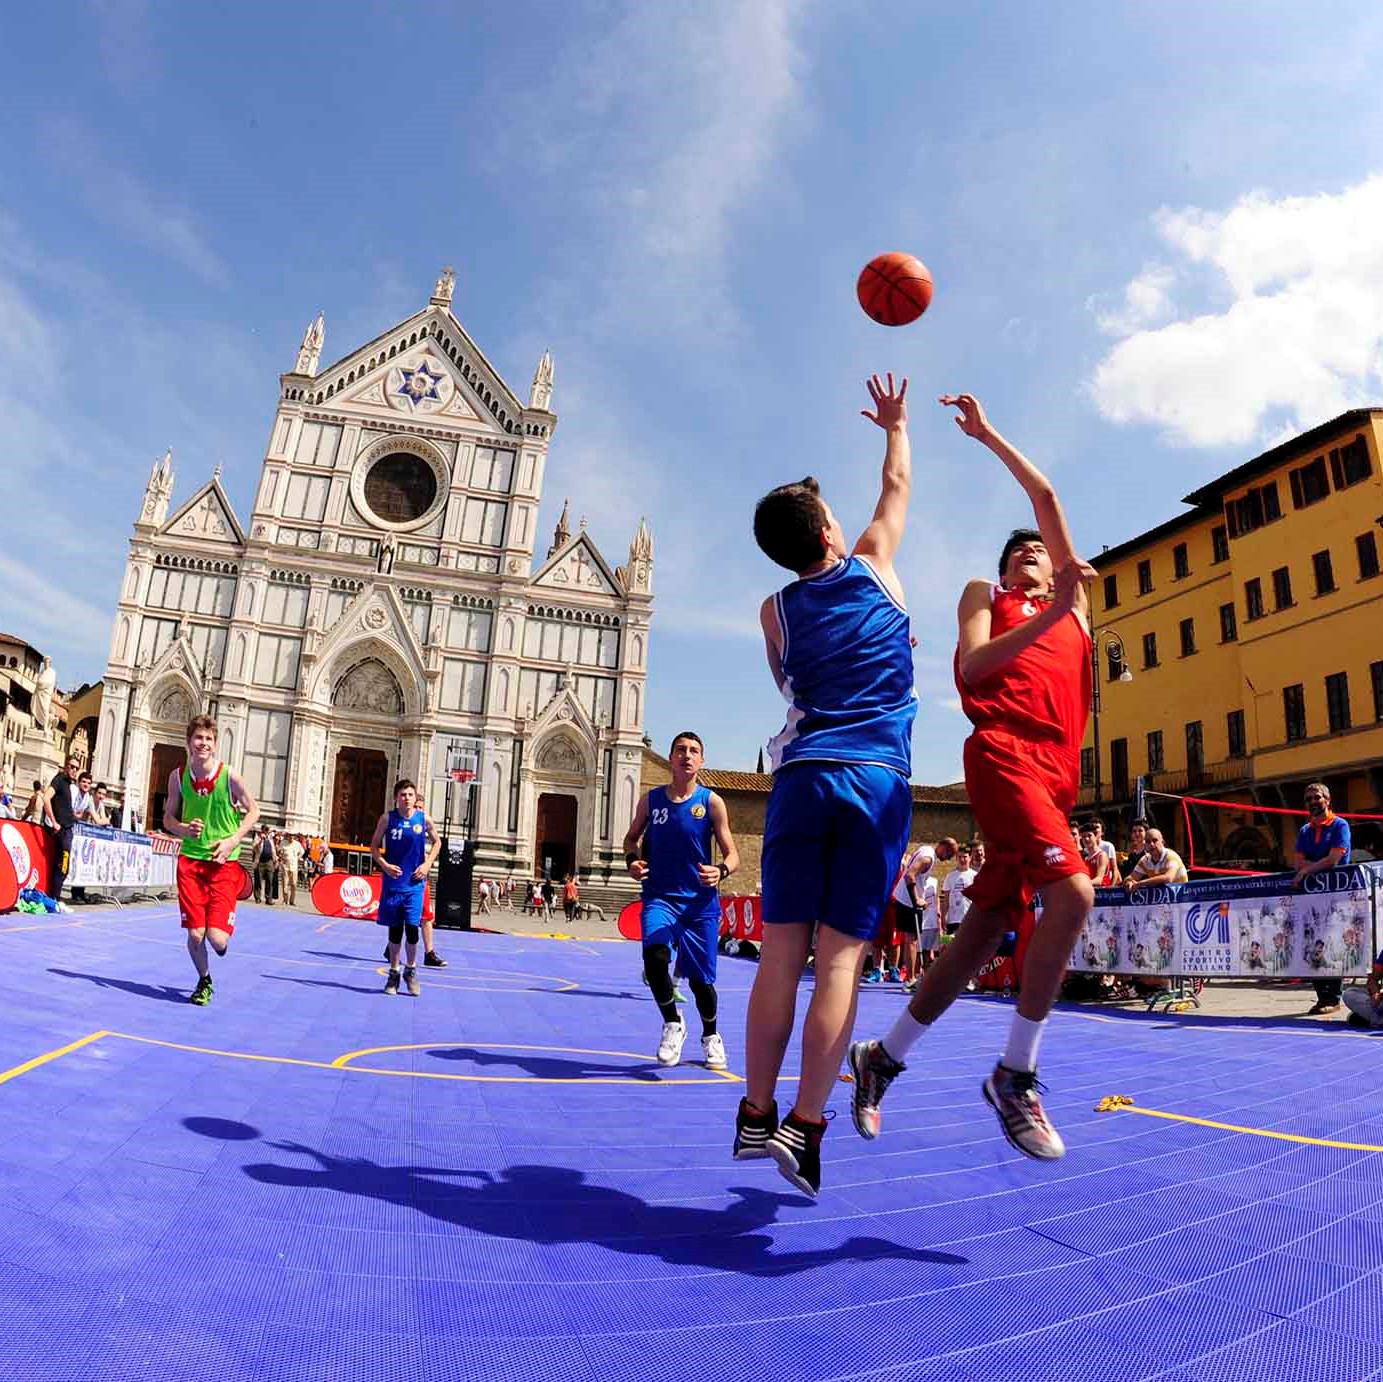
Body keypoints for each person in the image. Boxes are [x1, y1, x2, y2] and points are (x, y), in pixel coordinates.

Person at [849, 390, 1098, 1165]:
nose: (1034, 552)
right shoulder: (990, 599)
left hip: (1057, 774)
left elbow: (1046, 495)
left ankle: (880, 1057)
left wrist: (989, 432)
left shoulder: (1076, 605)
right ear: (1006, 568)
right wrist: (1046, 611)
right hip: (1001, 752)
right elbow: (974, 666)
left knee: (984, 929)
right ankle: (1014, 1073)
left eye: (1041, 551)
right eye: (1021, 551)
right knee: (1075, 893)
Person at [736, 373, 916, 1197]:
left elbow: (787, 687)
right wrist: (894, 425)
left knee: (779, 953)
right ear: (831, 528)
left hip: (802, 780)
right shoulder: (875, 563)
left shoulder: (773, 611)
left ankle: (755, 1108)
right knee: (838, 960)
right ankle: (806, 1128)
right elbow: (898, 484)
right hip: (874, 778)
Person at [623, 730, 739, 1072]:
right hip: (660, 897)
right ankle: (672, 1022)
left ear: (701, 760)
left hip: (700, 906)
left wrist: (720, 871)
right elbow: (631, 839)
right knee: (654, 959)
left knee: (702, 984)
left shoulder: (712, 802)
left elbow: (733, 854)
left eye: (694, 751)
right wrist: (632, 861)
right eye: (680, 750)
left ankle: (711, 1035)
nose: (687, 755)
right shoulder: (651, 800)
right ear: (671, 758)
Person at [163, 714, 259, 1005]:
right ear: (189, 742)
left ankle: (225, 916)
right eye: (198, 738)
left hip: (222, 864)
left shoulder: (230, 776)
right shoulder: (177, 777)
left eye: (208, 739)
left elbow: (253, 811)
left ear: (215, 745)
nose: (203, 743)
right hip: (191, 862)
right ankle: (204, 980)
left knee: (217, 941)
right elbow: (168, 818)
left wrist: (233, 841)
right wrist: (183, 828)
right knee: (195, 934)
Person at [371, 779, 441, 997]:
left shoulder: (423, 819)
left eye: (410, 794)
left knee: (412, 929)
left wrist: (428, 864)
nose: (407, 798)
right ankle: (394, 972)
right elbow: (374, 846)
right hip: (393, 883)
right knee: (395, 930)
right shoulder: (387, 819)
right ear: (396, 797)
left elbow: (437, 842)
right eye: (403, 794)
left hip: (414, 884)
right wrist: (384, 864)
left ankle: (411, 970)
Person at [1293, 782, 1351, 1016]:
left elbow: (1336, 859)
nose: (1312, 802)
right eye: (1308, 799)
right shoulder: (1305, 831)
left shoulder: (1340, 825)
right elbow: (1297, 862)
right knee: (1311, 945)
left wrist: (1308, 870)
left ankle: (1334, 997)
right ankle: (1321, 998)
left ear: (1327, 800)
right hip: (1311, 898)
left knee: (1332, 943)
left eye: (1316, 797)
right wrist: (1317, 865)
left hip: (1337, 895)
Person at [42, 755, 81, 903]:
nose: (73, 770)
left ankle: (54, 896)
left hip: (68, 827)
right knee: (62, 865)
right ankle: (54, 898)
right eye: (71, 767)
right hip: (61, 829)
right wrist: (54, 822)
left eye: (76, 768)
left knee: (63, 865)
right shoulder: (59, 780)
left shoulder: (70, 785)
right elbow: (46, 798)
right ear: (66, 767)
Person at [940, 840, 976, 938]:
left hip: (969, 919)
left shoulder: (975, 876)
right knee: (949, 946)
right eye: (959, 857)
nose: (962, 859)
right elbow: (946, 899)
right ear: (956, 858)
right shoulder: (950, 876)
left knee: (968, 947)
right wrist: (943, 917)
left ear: (970, 858)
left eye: (965, 857)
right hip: (953, 920)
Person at [252, 824, 279, 903]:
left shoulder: (270, 839)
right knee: (258, 880)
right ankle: (257, 897)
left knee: (270, 880)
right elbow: (254, 847)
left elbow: (273, 850)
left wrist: (276, 860)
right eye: (265, 829)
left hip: (269, 861)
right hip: (260, 861)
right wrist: (261, 840)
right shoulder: (258, 837)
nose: (267, 831)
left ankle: (268, 898)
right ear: (262, 830)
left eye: (267, 830)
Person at [280, 831, 303, 906]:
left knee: (293, 884)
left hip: (294, 866)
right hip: (285, 866)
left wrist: (298, 858)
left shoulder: (297, 844)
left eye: (292, 836)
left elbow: (302, 852)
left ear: (294, 837)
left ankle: (292, 901)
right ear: (287, 836)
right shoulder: (283, 843)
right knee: (285, 883)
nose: (291, 837)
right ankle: (285, 899)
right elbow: (279, 851)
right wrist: (281, 857)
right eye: (290, 836)